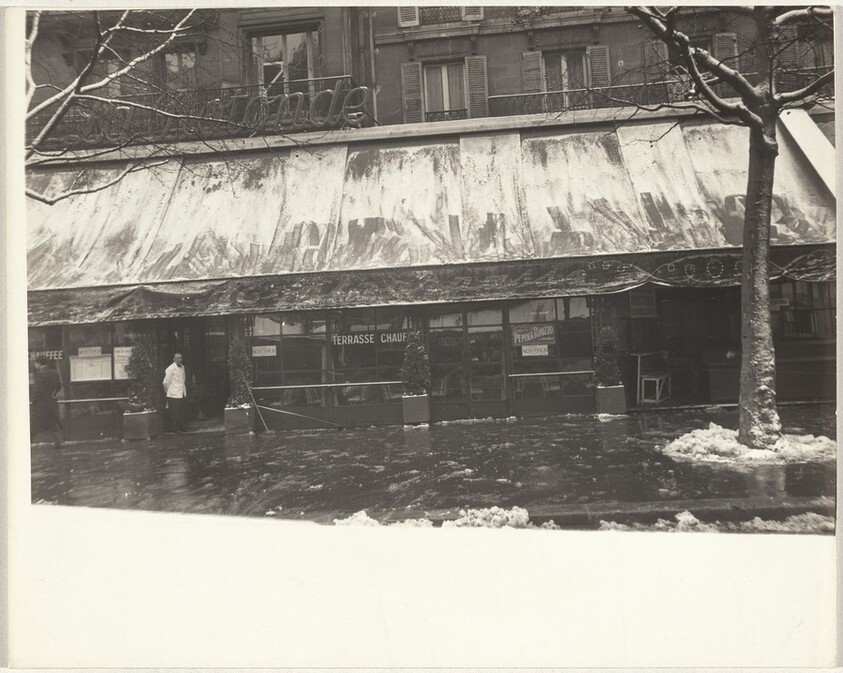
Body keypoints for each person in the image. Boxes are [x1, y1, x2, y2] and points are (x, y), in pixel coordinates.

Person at [30, 355, 63, 447]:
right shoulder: (54, 372)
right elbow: (58, 386)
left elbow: (38, 390)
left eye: (35, 363)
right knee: (53, 424)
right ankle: (59, 443)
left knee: (34, 425)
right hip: (52, 403)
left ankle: (25, 443)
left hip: (41, 404)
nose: (35, 365)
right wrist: (53, 396)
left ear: (39, 363)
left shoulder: (39, 374)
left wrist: (34, 400)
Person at [162, 352, 188, 433]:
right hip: (173, 393)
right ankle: (175, 429)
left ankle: (183, 427)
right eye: (178, 358)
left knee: (181, 411)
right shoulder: (170, 368)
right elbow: (165, 382)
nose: (180, 360)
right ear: (173, 359)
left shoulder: (182, 367)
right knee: (175, 412)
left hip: (181, 392)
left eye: (181, 358)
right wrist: (168, 392)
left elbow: (183, 379)